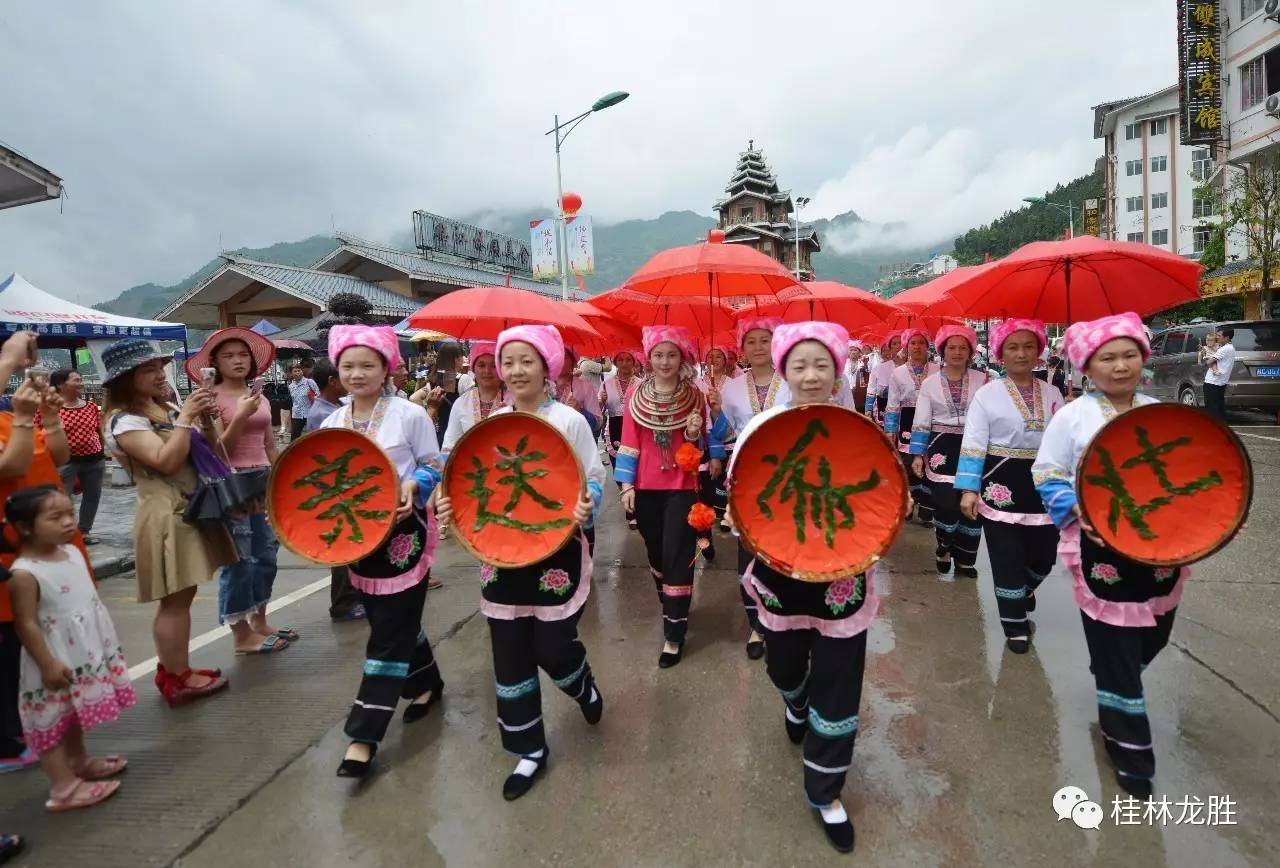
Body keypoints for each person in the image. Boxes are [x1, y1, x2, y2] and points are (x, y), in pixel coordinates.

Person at [436, 324, 605, 801]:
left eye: (526, 360)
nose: (514, 370)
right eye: (507, 361)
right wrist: (447, 503)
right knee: (509, 651)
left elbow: (593, 475)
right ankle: (529, 748)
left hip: (556, 550)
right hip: (500, 554)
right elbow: (466, 481)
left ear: (547, 365)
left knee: (553, 646)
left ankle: (582, 686)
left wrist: (586, 501)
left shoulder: (568, 421)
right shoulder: (488, 425)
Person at [727, 321, 876, 854]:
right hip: (779, 570)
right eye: (799, 365)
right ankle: (794, 701)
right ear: (784, 371)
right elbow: (740, 493)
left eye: (822, 365)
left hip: (842, 575)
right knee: (785, 666)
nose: (811, 375)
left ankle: (825, 789)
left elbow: (877, 497)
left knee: (840, 678)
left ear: (838, 371)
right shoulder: (761, 428)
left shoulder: (859, 429)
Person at [1033, 312, 1179, 799]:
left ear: (1144, 358)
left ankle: (1115, 678)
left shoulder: (1159, 411)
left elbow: (1187, 476)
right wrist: (1076, 509)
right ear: (1086, 367)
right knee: (1117, 646)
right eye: (1107, 357)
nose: (1120, 366)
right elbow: (1047, 473)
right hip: (1100, 545)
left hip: (1159, 547)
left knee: (1153, 637)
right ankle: (1131, 753)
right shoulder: (1072, 416)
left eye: (1129, 354)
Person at [319, 326, 444, 778]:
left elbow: (434, 465)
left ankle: (364, 734)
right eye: (348, 366)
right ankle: (428, 682)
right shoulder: (332, 424)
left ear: (386, 367)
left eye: (367, 365)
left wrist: (415, 483)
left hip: (404, 535)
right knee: (391, 622)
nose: (356, 374)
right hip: (359, 540)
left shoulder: (410, 415)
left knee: (387, 632)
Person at [103, 338, 234, 706]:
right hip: (165, 512)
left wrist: (204, 418)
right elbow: (164, 461)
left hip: (187, 507)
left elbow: (210, 448)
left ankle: (179, 668)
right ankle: (175, 676)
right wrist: (188, 417)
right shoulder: (124, 420)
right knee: (175, 600)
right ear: (126, 378)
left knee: (184, 594)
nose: (160, 374)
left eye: (160, 366)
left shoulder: (166, 407)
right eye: (149, 369)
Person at [4, 486, 136, 812]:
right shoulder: (24, 573)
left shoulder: (73, 553)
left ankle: (78, 761)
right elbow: (26, 624)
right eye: (55, 517)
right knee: (51, 721)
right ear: (25, 527)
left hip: (81, 655)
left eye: (70, 514)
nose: (67, 522)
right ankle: (63, 788)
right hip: (51, 659)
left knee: (72, 713)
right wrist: (47, 664)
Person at [957, 320, 1064, 652]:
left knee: (1044, 557)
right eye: (1013, 347)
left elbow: (1064, 444)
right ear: (1001, 353)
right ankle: (1014, 624)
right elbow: (974, 442)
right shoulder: (986, 395)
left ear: (1039, 351)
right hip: (999, 485)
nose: (1021, 353)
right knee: (1006, 558)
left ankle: (1025, 588)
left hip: (1045, 486)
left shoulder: (1054, 392)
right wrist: (968, 489)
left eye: (1028, 346)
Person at [189, 327, 289, 655]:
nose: (238, 361)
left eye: (243, 354)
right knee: (240, 559)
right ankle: (241, 635)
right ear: (214, 361)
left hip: (263, 480)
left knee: (267, 555)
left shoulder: (257, 395)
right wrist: (240, 415)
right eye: (229, 355)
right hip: (231, 483)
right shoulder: (210, 398)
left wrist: (283, 480)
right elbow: (220, 451)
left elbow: (269, 442)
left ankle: (259, 620)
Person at [0, 332, 72, 774]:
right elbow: (12, 466)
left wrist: (49, 417)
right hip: (12, 549)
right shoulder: (14, 420)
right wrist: (8, 358)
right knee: (11, 646)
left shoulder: (10, 416)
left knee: (38, 640)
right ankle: (10, 737)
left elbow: (56, 457)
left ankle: (33, 721)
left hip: (46, 544)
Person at [617, 325, 705, 668]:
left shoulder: (694, 394)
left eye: (671, 354)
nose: (665, 361)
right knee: (656, 554)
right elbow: (629, 440)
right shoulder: (634, 394)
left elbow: (697, 440)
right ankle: (672, 604)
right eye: (658, 355)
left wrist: (695, 431)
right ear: (649, 358)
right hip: (646, 487)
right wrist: (627, 486)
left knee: (676, 554)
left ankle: (673, 633)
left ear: (680, 357)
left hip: (682, 485)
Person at [708, 316, 785, 659]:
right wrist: (713, 411)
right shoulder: (731, 388)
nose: (757, 347)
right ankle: (756, 624)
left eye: (764, 340)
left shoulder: (792, 381)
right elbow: (723, 435)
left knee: (783, 550)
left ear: (775, 343)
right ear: (742, 348)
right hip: (746, 476)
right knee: (749, 553)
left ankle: (783, 620)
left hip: (786, 477)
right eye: (750, 341)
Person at [908, 325, 989, 580]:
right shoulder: (930, 383)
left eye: (962, 347)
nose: (957, 352)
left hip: (975, 447)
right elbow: (922, 421)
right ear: (942, 351)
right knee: (945, 502)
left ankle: (966, 559)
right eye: (951, 347)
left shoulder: (985, 380)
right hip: (940, 448)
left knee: (974, 502)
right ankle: (944, 545)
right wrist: (918, 455)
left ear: (971, 352)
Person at [884, 329, 938, 527]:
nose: (917, 347)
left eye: (921, 343)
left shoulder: (937, 370)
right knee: (907, 467)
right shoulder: (897, 373)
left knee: (930, 466)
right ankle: (908, 502)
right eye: (913, 343)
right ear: (907, 347)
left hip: (932, 423)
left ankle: (926, 511)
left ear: (927, 347)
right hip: (906, 423)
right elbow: (892, 405)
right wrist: (890, 432)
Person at [49, 370, 106, 544]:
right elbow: (39, 432)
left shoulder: (89, 407)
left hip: (94, 459)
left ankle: (83, 532)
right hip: (65, 462)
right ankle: (66, 533)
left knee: (92, 496)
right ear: (60, 385)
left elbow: (98, 430)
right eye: (77, 380)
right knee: (63, 500)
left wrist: (104, 450)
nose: (81, 383)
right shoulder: (50, 409)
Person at [600, 349, 641, 529]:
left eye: (628, 359)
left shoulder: (642, 383)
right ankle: (627, 497)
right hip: (615, 427)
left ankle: (634, 512)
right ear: (616, 363)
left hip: (636, 427)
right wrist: (601, 401)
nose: (625, 363)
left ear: (634, 362)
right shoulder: (607, 384)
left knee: (637, 468)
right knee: (619, 470)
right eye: (621, 360)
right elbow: (598, 410)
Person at [864, 334, 903, 421]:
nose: (898, 346)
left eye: (901, 343)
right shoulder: (879, 368)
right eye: (894, 344)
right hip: (884, 409)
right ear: (890, 348)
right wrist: (868, 409)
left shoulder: (916, 368)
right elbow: (871, 388)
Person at [1201, 326, 1235, 422]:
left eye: (1219, 335)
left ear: (1227, 337)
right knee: (1219, 408)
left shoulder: (1225, 349)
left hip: (1213, 382)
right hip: (1220, 382)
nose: (1217, 337)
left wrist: (1205, 354)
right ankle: (1222, 430)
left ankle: (1215, 430)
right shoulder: (1229, 348)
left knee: (1212, 409)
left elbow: (1208, 362)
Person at [286, 363, 318, 441]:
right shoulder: (291, 386)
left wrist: (312, 396)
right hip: (297, 414)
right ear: (291, 373)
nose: (297, 373)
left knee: (313, 435)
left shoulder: (309, 382)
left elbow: (319, 394)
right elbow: (294, 401)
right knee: (294, 437)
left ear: (302, 371)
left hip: (309, 412)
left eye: (299, 370)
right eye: (295, 371)